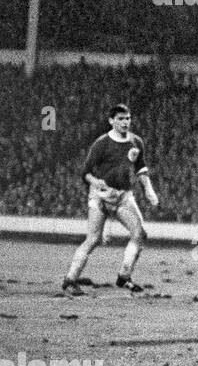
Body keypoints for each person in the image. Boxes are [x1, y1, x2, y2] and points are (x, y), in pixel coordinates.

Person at [61, 104, 161, 296]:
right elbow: (85, 173)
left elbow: (141, 168)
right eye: (121, 119)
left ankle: (124, 276)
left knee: (139, 234)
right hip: (100, 197)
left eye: (128, 118)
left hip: (123, 197)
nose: (125, 122)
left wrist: (149, 189)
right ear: (111, 121)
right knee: (93, 239)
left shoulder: (136, 142)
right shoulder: (102, 143)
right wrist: (97, 183)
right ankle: (70, 279)